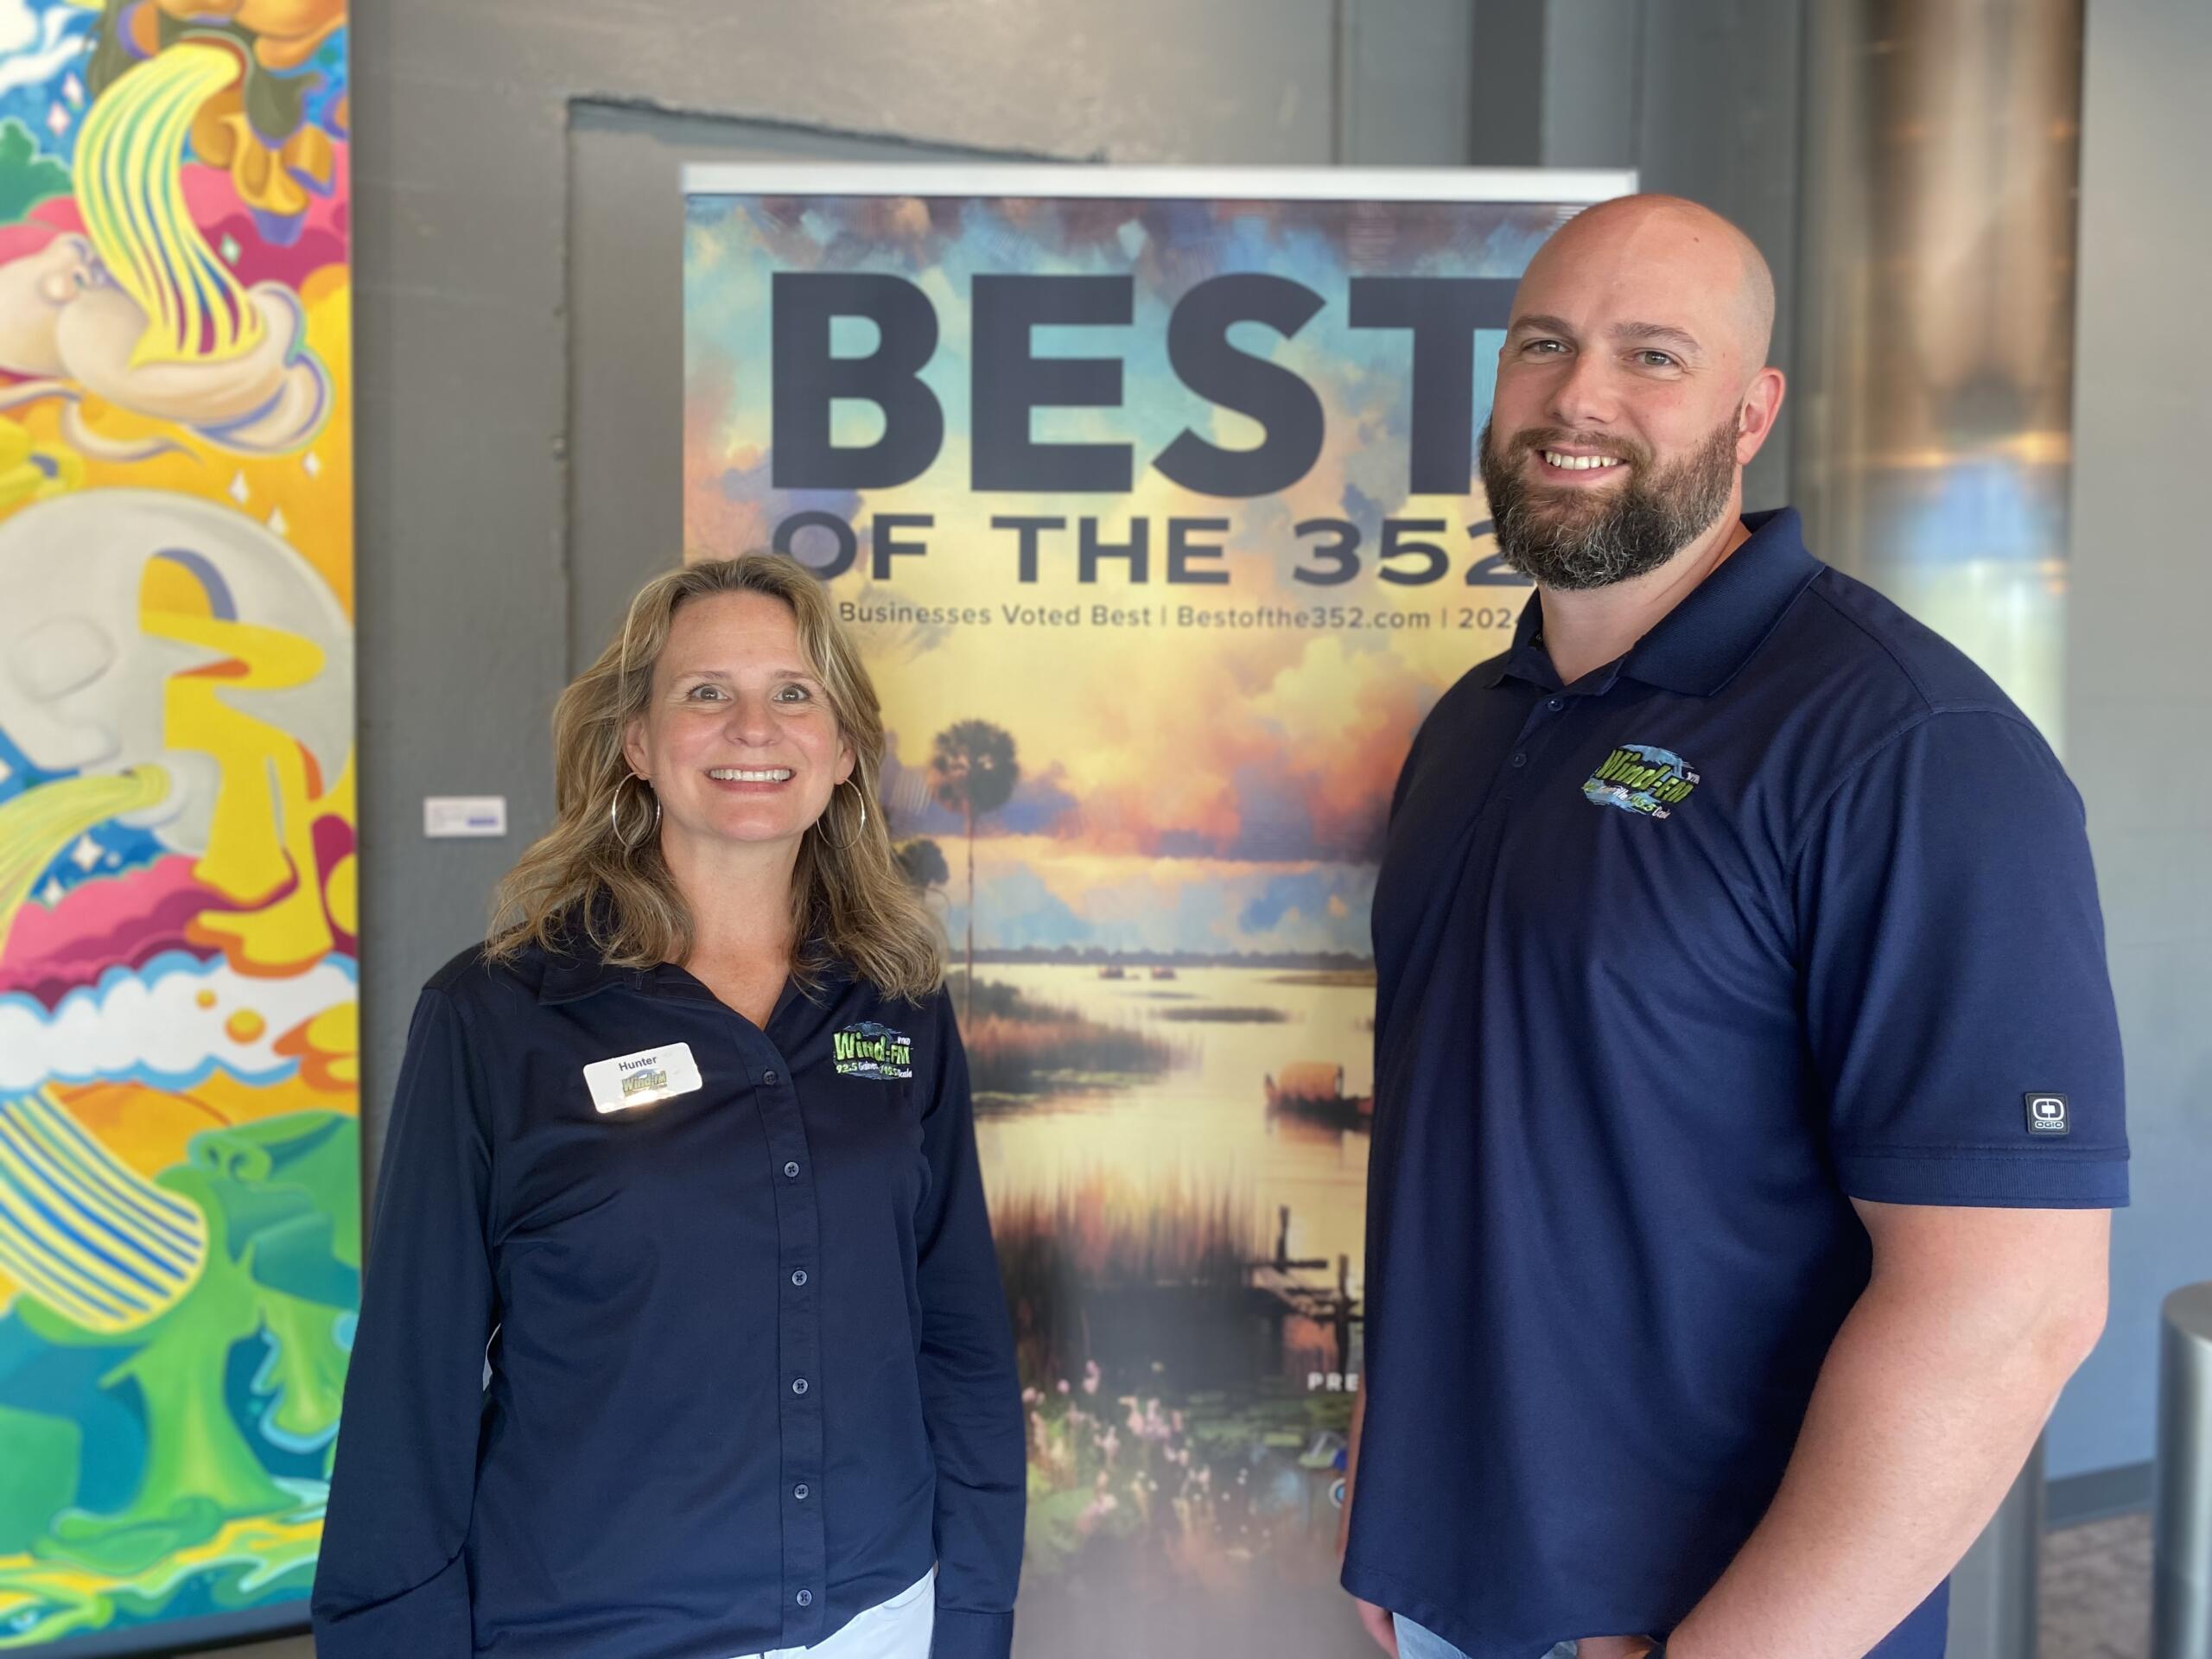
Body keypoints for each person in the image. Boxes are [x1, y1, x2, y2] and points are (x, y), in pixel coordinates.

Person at [1337, 194, 2126, 1659]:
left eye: (1654, 356)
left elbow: (2013, 1311)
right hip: (1454, 1584)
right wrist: (1393, 1480)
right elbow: (1458, 1137)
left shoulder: (1911, 749)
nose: (1578, 398)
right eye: (1543, 346)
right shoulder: (1475, 725)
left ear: (1752, 412)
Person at [312, 554, 1025, 1659]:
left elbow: (959, 1334)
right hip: (594, 1628)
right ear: (636, 742)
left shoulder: (899, 1003)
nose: (754, 728)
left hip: (879, 1619)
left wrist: (973, 1615)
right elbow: (413, 1380)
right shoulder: (498, 1015)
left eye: (794, 692)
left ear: (843, 748)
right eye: (705, 692)